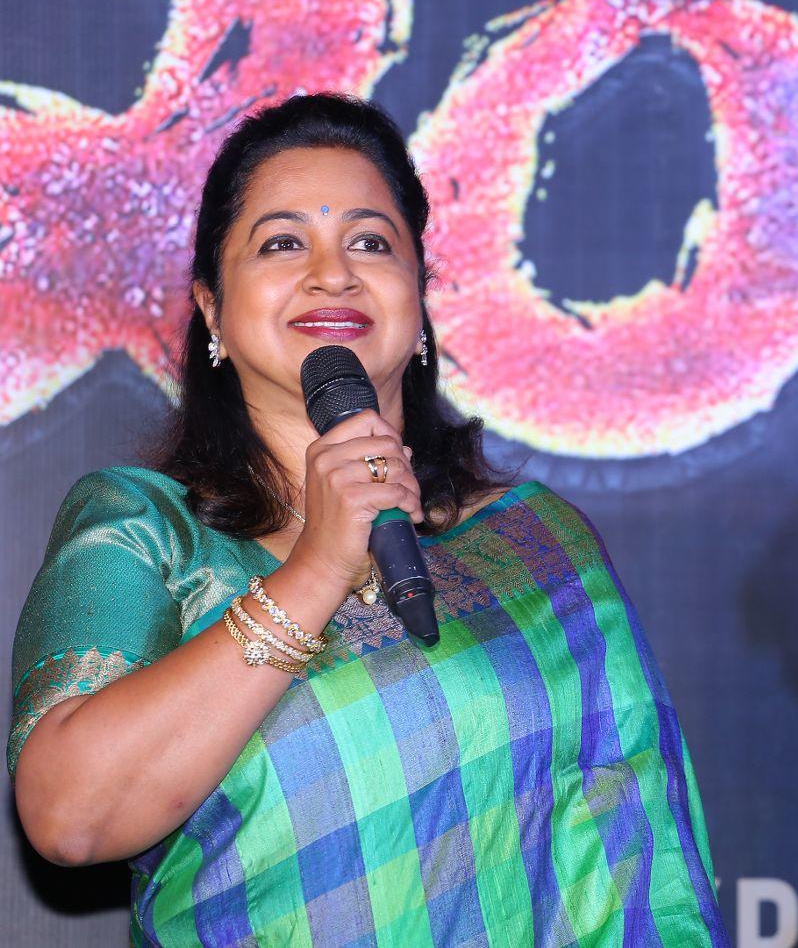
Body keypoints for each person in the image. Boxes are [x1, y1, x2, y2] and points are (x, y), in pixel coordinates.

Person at [10, 93, 727, 946]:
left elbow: (638, 864)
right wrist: (315, 570)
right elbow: (70, 815)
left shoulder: (535, 540)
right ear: (212, 309)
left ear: (418, 300)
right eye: (283, 243)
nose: (334, 273)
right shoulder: (145, 531)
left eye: (372, 242)